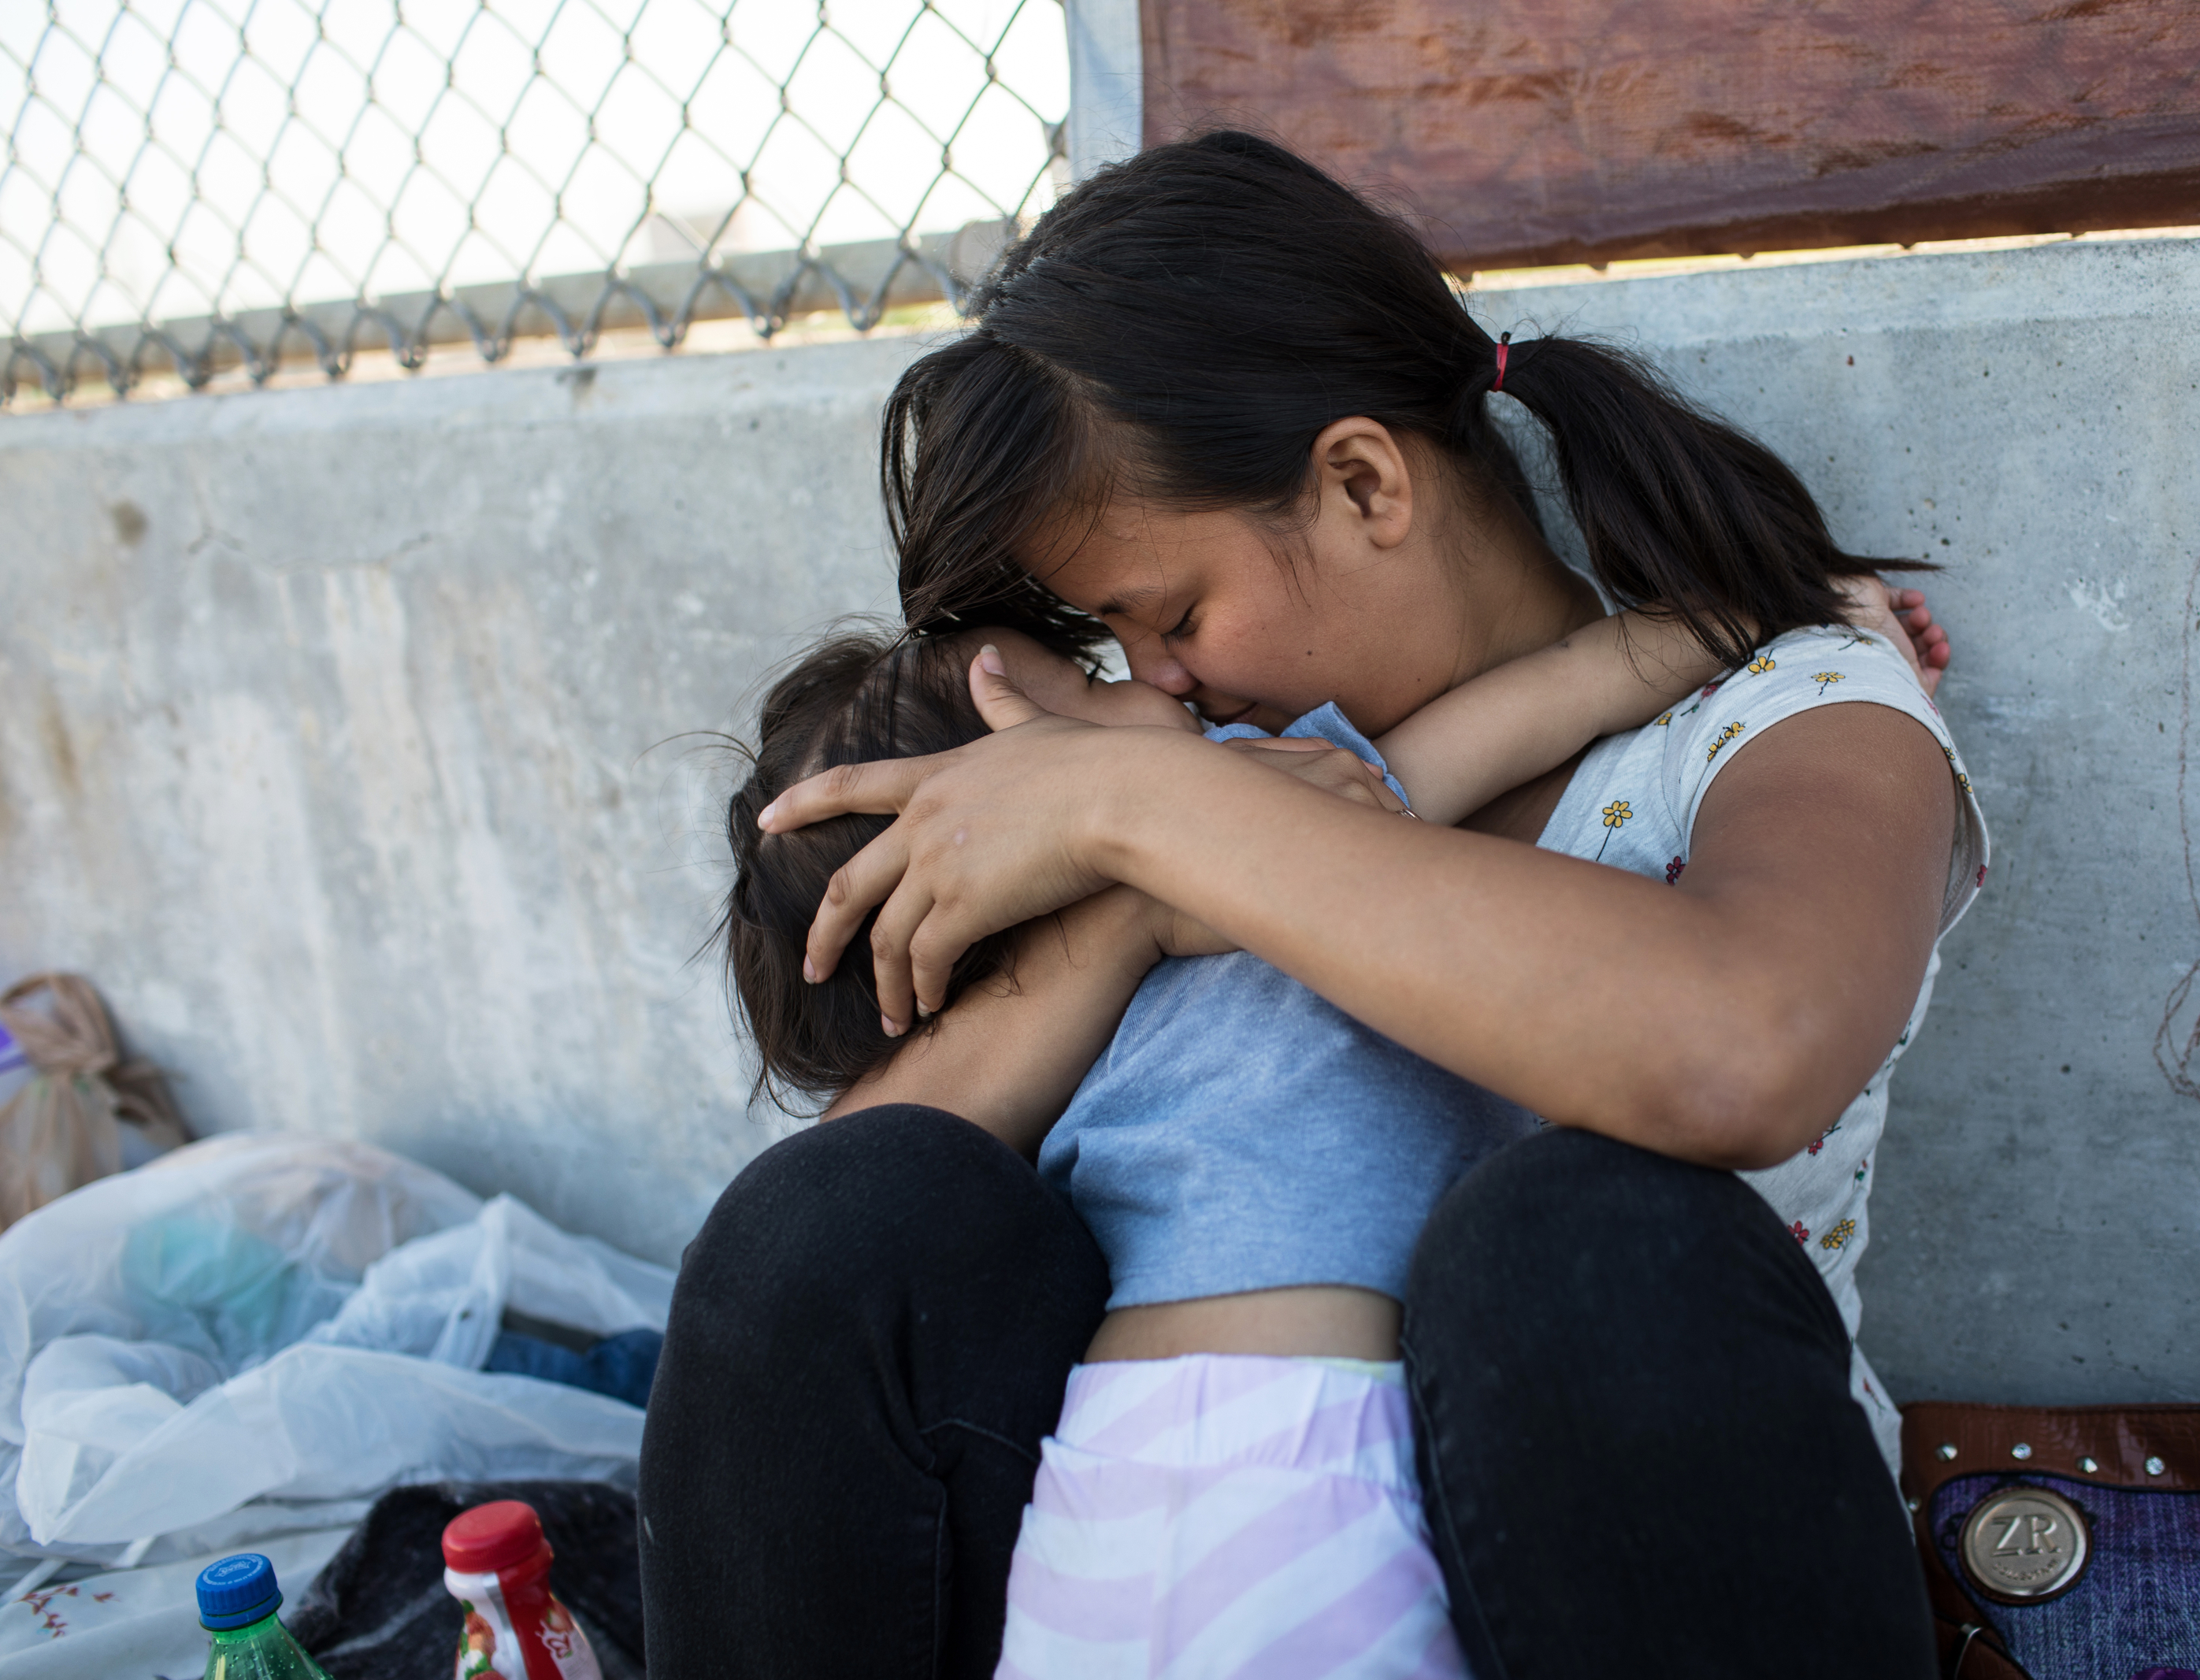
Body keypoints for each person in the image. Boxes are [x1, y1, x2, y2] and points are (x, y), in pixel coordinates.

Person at [640, 131, 1983, 1679]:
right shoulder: (1200, 785)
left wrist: (1143, 806)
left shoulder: (1782, 705)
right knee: (827, 1222)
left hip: (1609, 1572)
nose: (1154, 681)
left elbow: (1744, 1046)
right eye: (1112, 644)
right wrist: (1137, 874)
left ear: (1360, 481)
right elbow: (821, 1261)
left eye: (1173, 615)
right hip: (1167, 1558)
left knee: (1567, 1235)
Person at [712, 596, 1896, 1675]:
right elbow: (820, 1217)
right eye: (1085, 681)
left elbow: (1574, 678)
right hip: (1312, 1459)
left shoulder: (1280, 801)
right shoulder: (1053, 985)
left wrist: (1787, 612)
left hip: (1112, 1501)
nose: (1154, 682)